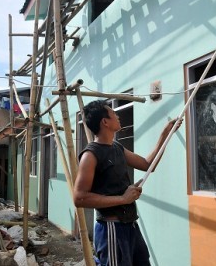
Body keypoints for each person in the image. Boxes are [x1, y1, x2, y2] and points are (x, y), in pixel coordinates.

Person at [73, 99, 182, 266]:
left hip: (130, 225)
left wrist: (166, 133)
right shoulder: (90, 155)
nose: (117, 115)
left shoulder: (117, 148)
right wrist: (123, 199)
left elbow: (147, 165)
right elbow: (79, 198)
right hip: (111, 229)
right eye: (113, 113)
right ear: (105, 122)